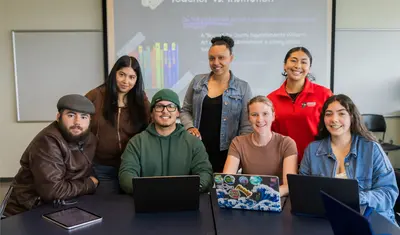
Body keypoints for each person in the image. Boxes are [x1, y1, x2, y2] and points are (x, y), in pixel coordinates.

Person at [299, 94, 399, 225]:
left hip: (370, 219)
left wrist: (355, 198)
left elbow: (388, 193)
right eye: (328, 114)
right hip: (326, 220)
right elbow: (303, 190)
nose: (334, 119)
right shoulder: (312, 150)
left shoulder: (372, 148)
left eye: (341, 114)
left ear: (352, 117)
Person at [4, 95, 99, 216]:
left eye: (83, 117)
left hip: (65, 204)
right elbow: (53, 191)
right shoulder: (47, 141)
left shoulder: (90, 139)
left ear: (90, 120)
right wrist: (89, 184)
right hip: (29, 211)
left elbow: (87, 171)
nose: (77, 122)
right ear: (58, 117)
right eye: (70, 115)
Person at [119, 89, 213, 194]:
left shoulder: (193, 142)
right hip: (146, 201)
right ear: (152, 112)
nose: (165, 111)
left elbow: (205, 173)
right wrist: (147, 191)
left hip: (185, 201)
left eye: (171, 106)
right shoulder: (137, 142)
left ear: (178, 112)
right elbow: (126, 174)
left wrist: (187, 190)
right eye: (159, 106)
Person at [180, 35, 253, 172]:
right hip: (196, 150)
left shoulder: (243, 87)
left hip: (227, 154)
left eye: (221, 58)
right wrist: (189, 127)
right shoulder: (197, 81)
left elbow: (246, 127)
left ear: (231, 58)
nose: (216, 62)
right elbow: (185, 110)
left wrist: (239, 155)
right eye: (212, 58)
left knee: (221, 191)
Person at [85, 55, 150, 194]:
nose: (126, 81)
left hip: (133, 167)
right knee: (110, 209)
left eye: (132, 77)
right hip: (101, 168)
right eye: (122, 75)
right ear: (114, 73)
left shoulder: (141, 99)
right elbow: (79, 129)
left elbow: (151, 127)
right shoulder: (95, 95)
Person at [223, 96, 298, 197]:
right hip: (247, 199)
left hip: (278, 200)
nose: (260, 119)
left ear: (273, 116)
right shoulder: (238, 143)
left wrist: (263, 195)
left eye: (265, 114)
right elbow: (227, 179)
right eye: (254, 115)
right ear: (249, 118)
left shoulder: (287, 143)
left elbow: (288, 185)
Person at [267, 47, 332, 161]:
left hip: (318, 161)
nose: (298, 66)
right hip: (282, 161)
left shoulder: (324, 94)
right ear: (284, 65)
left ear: (309, 68)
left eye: (303, 62)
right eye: (293, 60)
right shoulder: (271, 99)